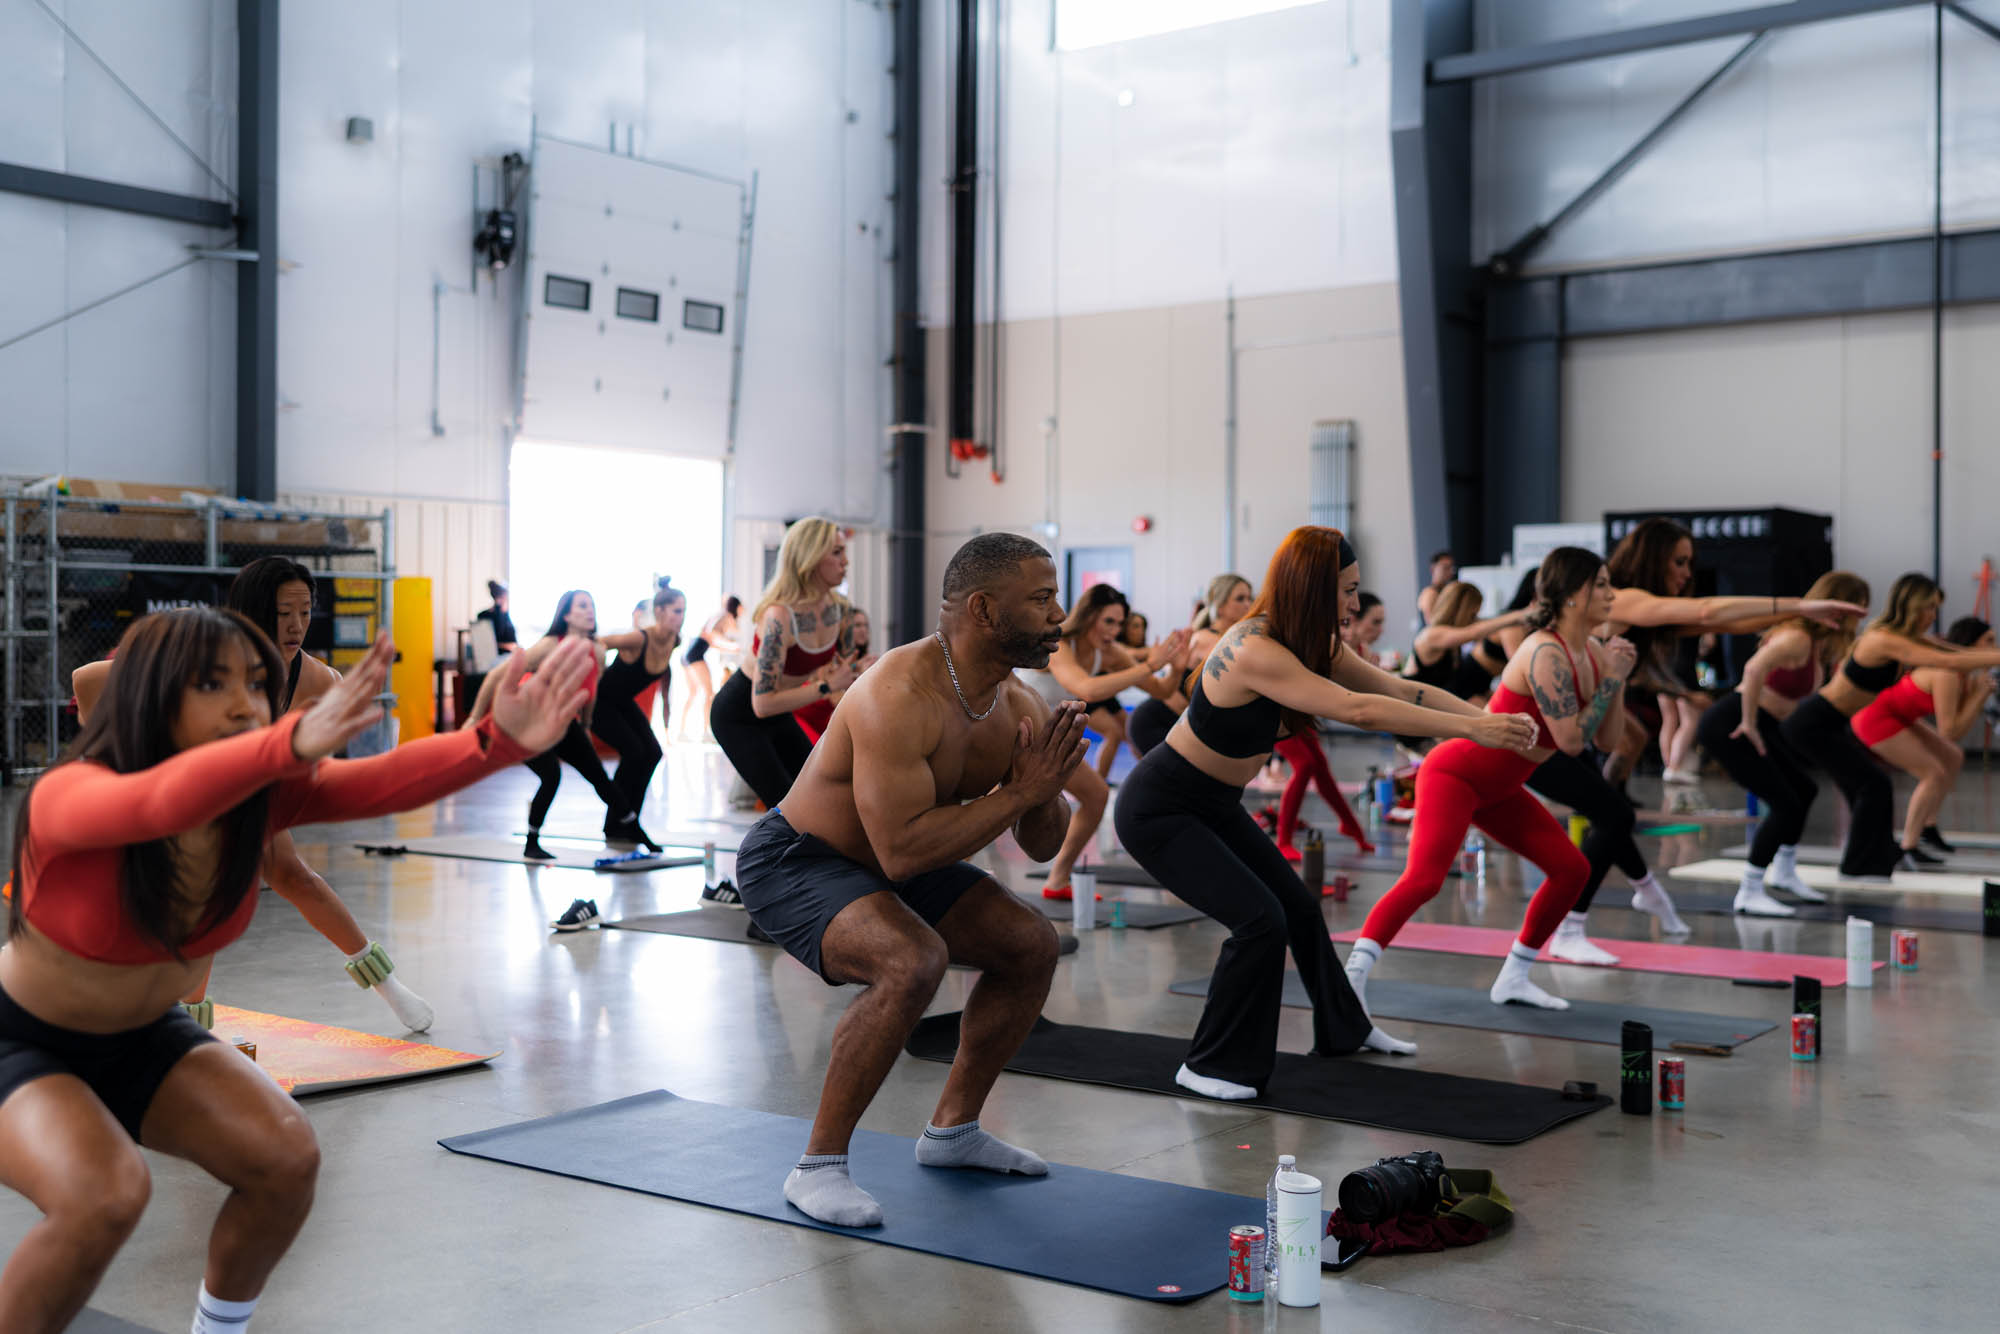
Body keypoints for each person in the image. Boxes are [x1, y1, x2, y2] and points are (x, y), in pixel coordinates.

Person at [3, 611, 592, 1334]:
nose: (248, 702)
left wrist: (494, 743)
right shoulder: (72, 794)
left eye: (257, 683)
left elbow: (379, 783)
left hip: (142, 1034)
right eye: (213, 683)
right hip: (23, 1038)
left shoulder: (259, 796)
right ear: (152, 696)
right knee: (104, 1195)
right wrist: (284, 745)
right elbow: (158, 802)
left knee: (283, 1158)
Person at [1115, 527, 1541, 1097]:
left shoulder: (1311, 645)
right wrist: (1471, 728)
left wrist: (1487, 718)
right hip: (1160, 808)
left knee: (1298, 906)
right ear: (1313, 587)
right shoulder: (1253, 647)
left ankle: (1344, 1028)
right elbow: (1359, 710)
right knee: (1259, 920)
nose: (1354, 604)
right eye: (1347, 590)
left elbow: (1400, 691)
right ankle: (1210, 1065)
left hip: (1213, 803)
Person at [734, 533, 1082, 1228]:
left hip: (901, 853)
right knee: (910, 959)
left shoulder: (1018, 707)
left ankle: (953, 1132)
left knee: (1031, 944)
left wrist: (1042, 789)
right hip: (798, 859)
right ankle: (818, 1168)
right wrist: (1014, 796)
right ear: (984, 610)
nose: (1058, 615)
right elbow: (899, 854)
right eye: (1042, 600)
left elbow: (1041, 840)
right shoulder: (896, 694)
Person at [73, 558, 434, 1032]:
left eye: (305, 612)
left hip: (238, 787)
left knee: (289, 874)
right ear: (253, 611)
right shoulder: (205, 653)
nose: (297, 625)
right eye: (284, 612)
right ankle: (178, 1024)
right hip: (167, 781)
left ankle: (387, 986)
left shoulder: (318, 679)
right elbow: (87, 680)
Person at [1346, 548, 1634, 1033]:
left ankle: (1515, 977)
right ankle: (1350, 977)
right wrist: (1610, 682)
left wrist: (1616, 683)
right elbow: (1569, 741)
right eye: (1601, 585)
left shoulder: (1594, 654)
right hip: (1456, 773)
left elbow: (1607, 740)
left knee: (1571, 869)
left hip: (1503, 786)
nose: (1612, 595)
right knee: (1425, 880)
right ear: (1571, 594)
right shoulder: (1545, 652)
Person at [1600, 519, 1865, 798]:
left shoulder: (1649, 615)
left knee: (1633, 739)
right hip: (1565, 703)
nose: (1687, 574)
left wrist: (1801, 613)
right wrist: (1800, 605)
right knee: (1611, 768)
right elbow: (1706, 611)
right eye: (1679, 562)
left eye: (1689, 563)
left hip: (1590, 697)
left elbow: (1731, 624)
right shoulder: (1622, 600)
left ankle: (1612, 803)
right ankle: (1608, 810)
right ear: (1652, 559)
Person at [1781, 575, 2000, 877]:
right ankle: (1862, 864)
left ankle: (1876, 857)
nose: (1932, 616)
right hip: (1814, 723)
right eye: (1929, 608)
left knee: (1867, 788)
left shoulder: (1904, 638)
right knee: (1874, 786)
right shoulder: (1883, 638)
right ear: (1913, 606)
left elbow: (1955, 653)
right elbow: (1943, 661)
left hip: (1834, 725)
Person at [1693, 572, 1870, 914]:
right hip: (1732, 724)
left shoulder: (1819, 644)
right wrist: (1747, 722)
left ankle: (1784, 873)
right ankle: (1750, 890)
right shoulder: (1797, 637)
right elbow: (1753, 670)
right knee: (1785, 802)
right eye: (1858, 609)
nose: (1860, 617)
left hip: (1764, 723)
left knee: (1804, 790)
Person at [1017, 585, 1187, 898]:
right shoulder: (1060, 643)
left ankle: (1057, 881)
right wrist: (1148, 664)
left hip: (1047, 737)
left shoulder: (1108, 651)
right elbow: (1087, 689)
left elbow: (1162, 691)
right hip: (1013, 728)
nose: (1115, 631)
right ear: (1090, 616)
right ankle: (946, 872)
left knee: (1096, 795)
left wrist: (1175, 670)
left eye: (1119, 624)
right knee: (988, 808)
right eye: (1109, 621)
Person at [469, 589, 659, 860]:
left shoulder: (597, 650)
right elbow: (495, 677)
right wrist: (474, 718)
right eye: (582, 606)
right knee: (551, 776)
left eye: (591, 605)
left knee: (600, 778)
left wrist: (586, 724)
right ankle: (531, 842)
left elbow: (590, 689)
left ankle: (634, 829)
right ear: (566, 615)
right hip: (528, 723)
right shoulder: (549, 645)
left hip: (563, 722)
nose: (589, 610)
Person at [712, 518, 864, 808]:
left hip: (780, 711)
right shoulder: (779, 617)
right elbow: (763, 703)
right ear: (810, 558)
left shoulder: (837, 608)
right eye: (836, 553)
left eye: (844, 551)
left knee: (820, 793)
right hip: (739, 714)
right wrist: (828, 685)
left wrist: (859, 675)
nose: (846, 561)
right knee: (787, 807)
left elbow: (839, 677)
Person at [1855, 616, 1996, 864]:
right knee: (1933, 773)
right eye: (1989, 641)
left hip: (1901, 716)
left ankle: (1927, 828)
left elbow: (1956, 731)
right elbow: (1950, 731)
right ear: (1970, 645)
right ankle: (1908, 846)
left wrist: (1977, 693)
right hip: (1875, 717)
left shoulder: (1965, 676)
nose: (1993, 648)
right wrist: (1979, 696)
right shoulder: (1948, 674)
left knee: (1953, 757)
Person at [592, 584, 686, 821]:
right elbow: (598, 642)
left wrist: (667, 719)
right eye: (676, 611)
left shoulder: (675, 640)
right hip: (600, 704)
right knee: (634, 752)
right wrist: (595, 671)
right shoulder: (639, 638)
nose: (681, 617)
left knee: (653, 752)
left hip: (622, 703)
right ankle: (617, 822)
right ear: (659, 611)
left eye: (683, 611)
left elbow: (666, 683)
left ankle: (632, 818)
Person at [1402, 582, 1530, 709]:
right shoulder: (1431, 634)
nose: (1475, 619)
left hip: (1431, 702)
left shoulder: (1451, 639)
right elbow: (1473, 632)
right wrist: (1519, 615)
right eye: (1472, 615)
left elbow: (1482, 625)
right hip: (1410, 703)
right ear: (1461, 611)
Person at [678, 595, 742, 743]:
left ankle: (682, 731)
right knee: (708, 692)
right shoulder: (724, 617)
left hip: (689, 654)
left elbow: (711, 640)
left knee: (693, 693)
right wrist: (730, 645)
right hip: (695, 655)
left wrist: (731, 648)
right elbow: (711, 635)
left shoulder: (719, 617)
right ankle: (705, 732)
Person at [1344, 591, 1396, 670]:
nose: (1381, 630)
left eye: (1381, 623)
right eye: (1376, 622)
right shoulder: (1339, 651)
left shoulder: (1364, 650)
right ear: (1354, 620)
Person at [1416, 550, 1456, 626]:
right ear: (1433, 568)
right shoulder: (1430, 593)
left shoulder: (1446, 592)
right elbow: (1432, 625)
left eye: (1451, 567)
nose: (1450, 572)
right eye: (1445, 567)